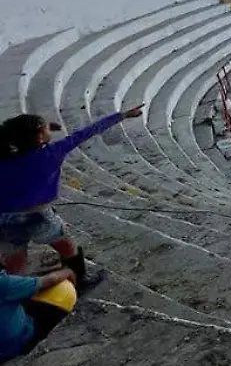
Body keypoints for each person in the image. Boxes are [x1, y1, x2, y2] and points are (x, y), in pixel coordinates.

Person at [0, 106, 143, 289]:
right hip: (37, 215)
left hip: (5, 217)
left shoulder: (5, 157)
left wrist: (43, 131)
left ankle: (10, 293)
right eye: (44, 128)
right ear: (39, 138)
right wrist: (122, 115)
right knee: (67, 247)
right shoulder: (51, 153)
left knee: (16, 257)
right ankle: (80, 281)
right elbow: (86, 132)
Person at [0, 267, 76, 363]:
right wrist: (68, 271)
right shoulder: (4, 283)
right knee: (62, 290)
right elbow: (50, 280)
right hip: (20, 343)